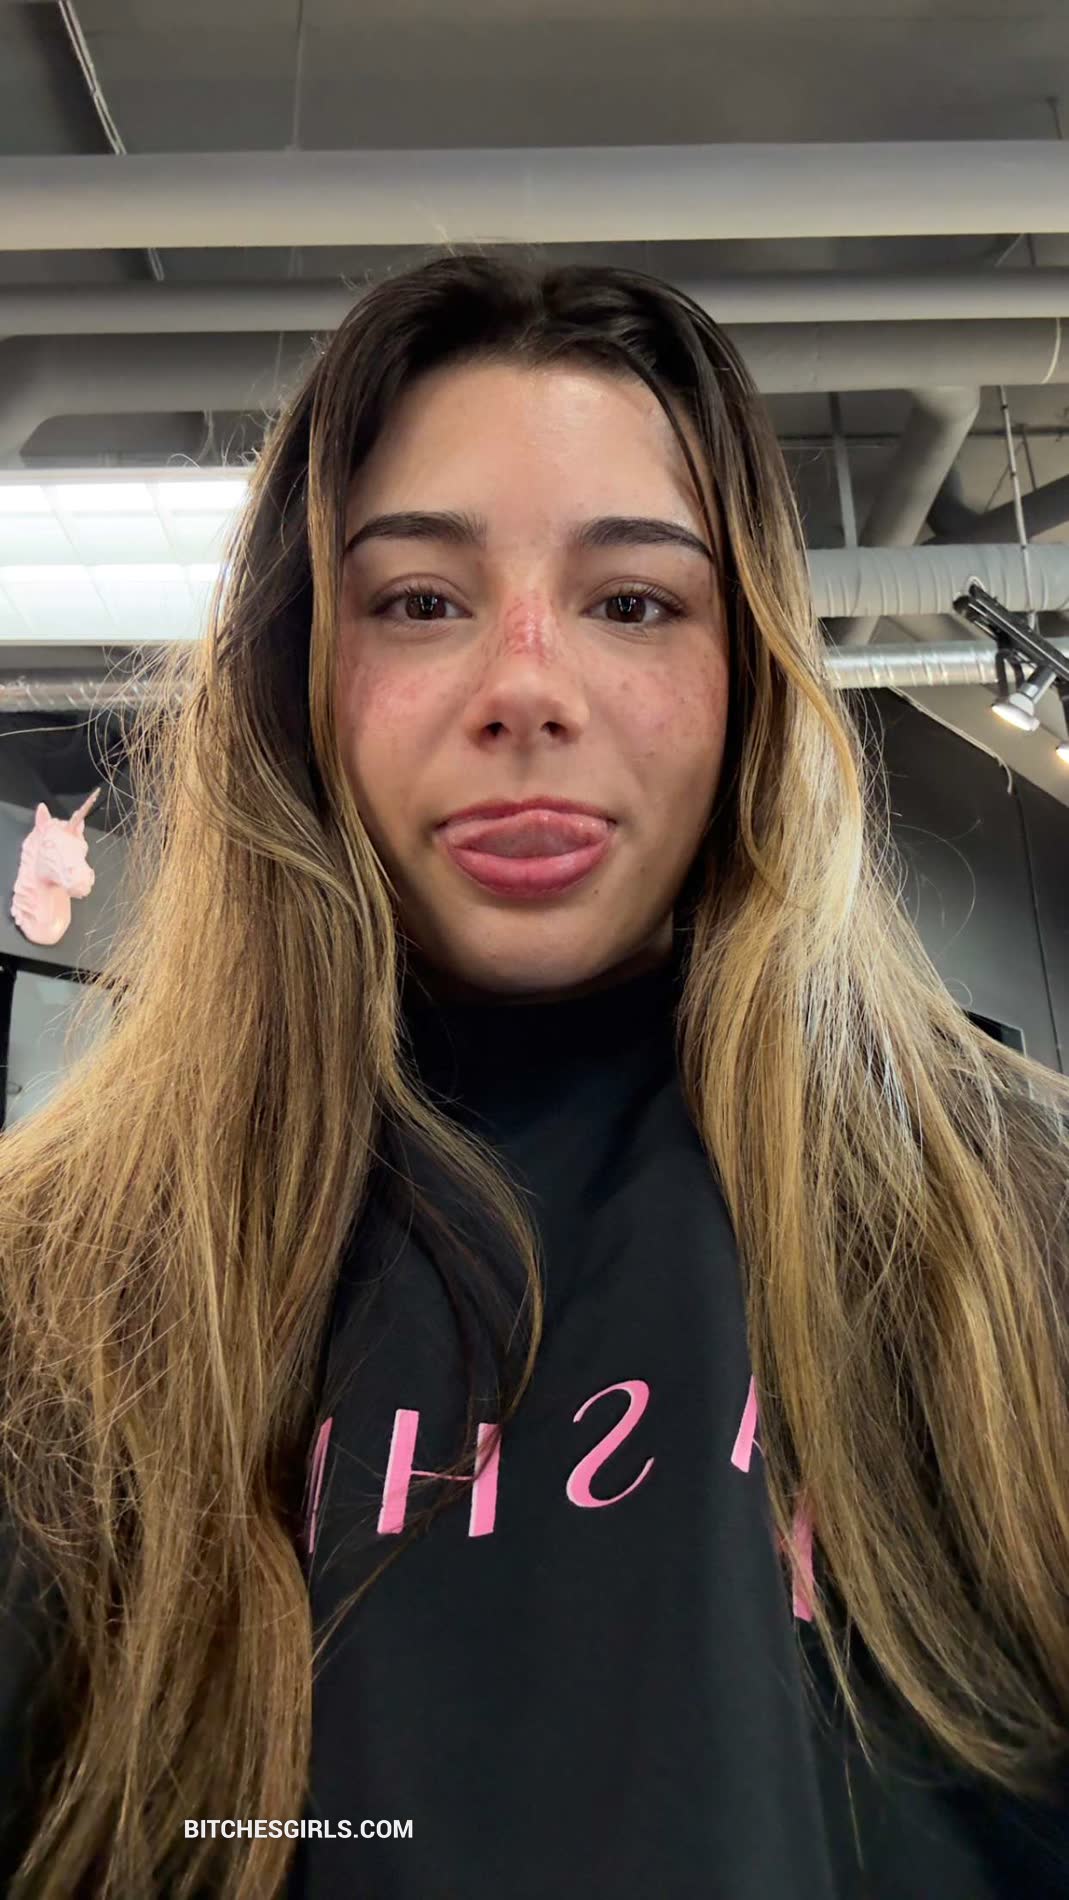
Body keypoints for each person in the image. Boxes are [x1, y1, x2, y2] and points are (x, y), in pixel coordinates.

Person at [1, 248, 1068, 1900]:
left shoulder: (1019, 1229)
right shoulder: (52, 1289)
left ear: (747, 673)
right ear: (301, 668)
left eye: (632, 601)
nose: (524, 688)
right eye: (418, 601)